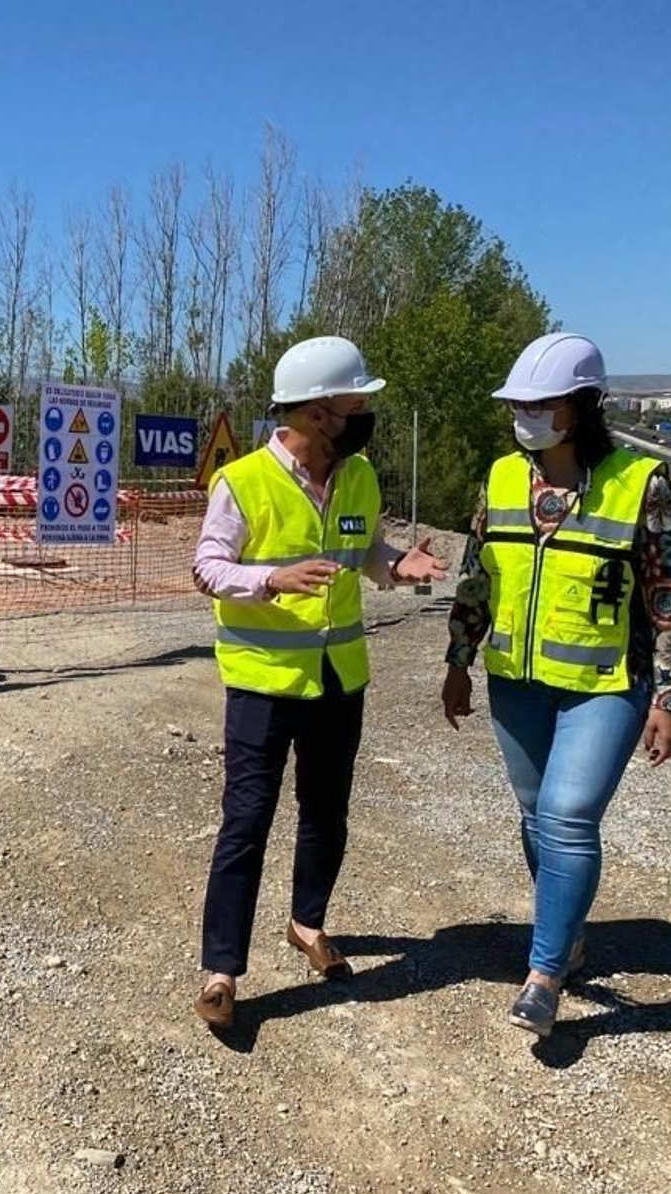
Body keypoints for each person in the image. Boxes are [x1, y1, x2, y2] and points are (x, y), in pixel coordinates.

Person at [441, 333, 671, 1037]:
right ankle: (570, 934)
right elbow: (476, 577)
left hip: (606, 685)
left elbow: (666, 593)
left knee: (566, 815)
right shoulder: (498, 480)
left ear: (581, 407)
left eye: (539, 402)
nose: (524, 414)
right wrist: (458, 660)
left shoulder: (639, 482)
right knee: (534, 815)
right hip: (517, 683)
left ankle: (544, 975)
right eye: (517, 404)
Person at [192, 335, 448, 1029]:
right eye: (354, 401)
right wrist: (271, 579)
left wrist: (398, 566)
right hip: (263, 681)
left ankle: (308, 924)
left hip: (340, 680)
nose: (366, 411)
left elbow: (363, 550)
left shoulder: (358, 475)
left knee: (327, 812)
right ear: (314, 412)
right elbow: (208, 568)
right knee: (247, 821)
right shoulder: (242, 481)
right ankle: (221, 971)